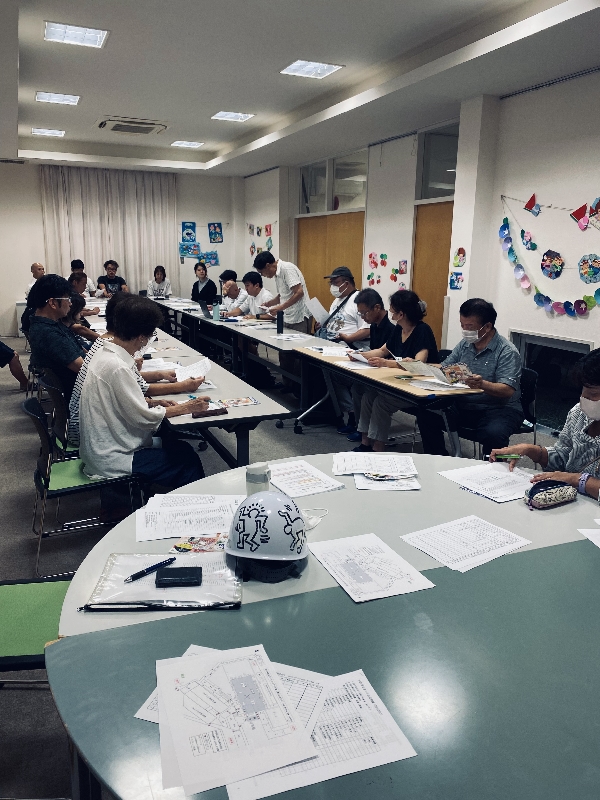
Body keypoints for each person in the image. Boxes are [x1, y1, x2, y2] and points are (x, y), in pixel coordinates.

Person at [79, 295, 208, 487]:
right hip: (112, 456)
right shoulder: (117, 366)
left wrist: (153, 402)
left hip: (103, 445)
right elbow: (144, 419)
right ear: (141, 337)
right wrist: (187, 407)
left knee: (179, 447)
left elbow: (121, 401)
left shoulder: (106, 353)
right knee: (187, 461)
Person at [416, 297, 523, 457]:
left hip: (498, 408)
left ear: (487, 326)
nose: (465, 330)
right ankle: (438, 458)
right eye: (462, 325)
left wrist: (482, 384)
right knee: (427, 412)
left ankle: (491, 470)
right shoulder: (465, 344)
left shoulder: (507, 351)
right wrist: (419, 366)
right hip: (464, 402)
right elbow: (445, 367)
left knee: (494, 433)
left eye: (470, 327)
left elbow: (507, 390)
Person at [491, 348, 600, 500]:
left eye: (593, 393)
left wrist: (577, 479)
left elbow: (570, 476)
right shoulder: (579, 414)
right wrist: (530, 450)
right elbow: (562, 458)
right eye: (583, 390)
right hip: (568, 499)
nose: (584, 397)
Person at [352, 289, 438, 452]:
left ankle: (378, 447)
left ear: (401, 314)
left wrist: (387, 363)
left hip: (419, 387)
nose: (390, 313)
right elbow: (382, 350)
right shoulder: (399, 329)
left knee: (381, 402)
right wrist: (359, 355)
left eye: (392, 311)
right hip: (400, 382)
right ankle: (365, 442)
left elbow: (417, 364)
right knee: (368, 396)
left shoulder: (422, 330)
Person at [317, 267, 370, 434]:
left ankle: (352, 413)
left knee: (332, 372)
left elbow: (367, 330)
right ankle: (340, 410)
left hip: (352, 348)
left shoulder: (359, 300)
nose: (332, 286)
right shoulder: (337, 300)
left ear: (346, 283)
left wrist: (348, 338)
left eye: (335, 282)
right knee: (319, 368)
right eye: (331, 282)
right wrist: (323, 323)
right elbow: (336, 321)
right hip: (332, 344)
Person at [253, 251, 312, 391]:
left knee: (297, 353)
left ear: (268, 265)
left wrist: (280, 307)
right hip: (288, 315)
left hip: (299, 316)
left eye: (262, 272)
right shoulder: (277, 274)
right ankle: (287, 383)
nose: (263, 275)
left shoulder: (287, 268)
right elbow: (283, 295)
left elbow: (299, 292)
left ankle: (299, 388)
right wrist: (270, 303)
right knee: (284, 351)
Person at [346, 288, 395, 442]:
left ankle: (365, 430)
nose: (363, 317)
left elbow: (387, 353)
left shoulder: (392, 327)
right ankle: (361, 427)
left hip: (388, 371)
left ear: (377, 308)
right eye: (360, 313)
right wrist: (360, 356)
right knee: (357, 387)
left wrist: (365, 357)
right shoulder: (374, 325)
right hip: (375, 368)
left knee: (364, 390)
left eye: (364, 313)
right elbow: (375, 350)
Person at [27, 274, 86, 401]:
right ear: (53, 303)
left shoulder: (51, 324)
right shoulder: (48, 334)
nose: (70, 303)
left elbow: (80, 351)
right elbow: (85, 369)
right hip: (81, 396)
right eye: (67, 299)